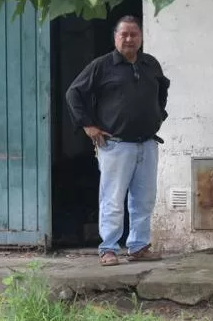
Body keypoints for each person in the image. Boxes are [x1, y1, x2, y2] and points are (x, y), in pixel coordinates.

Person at [65, 16, 170, 266]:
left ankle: (138, 246)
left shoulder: (150, 64)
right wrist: (88, 126)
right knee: (112, 198)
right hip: (116, 145)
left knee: (144, 198)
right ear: (115, 38)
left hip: (147, 143)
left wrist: (158, 116)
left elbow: (162, 90)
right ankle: (108, 248)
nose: (129, 39)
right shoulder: (102, 66)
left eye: (134, 34)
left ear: (141, 37)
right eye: (124, 34)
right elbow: (74, 93)